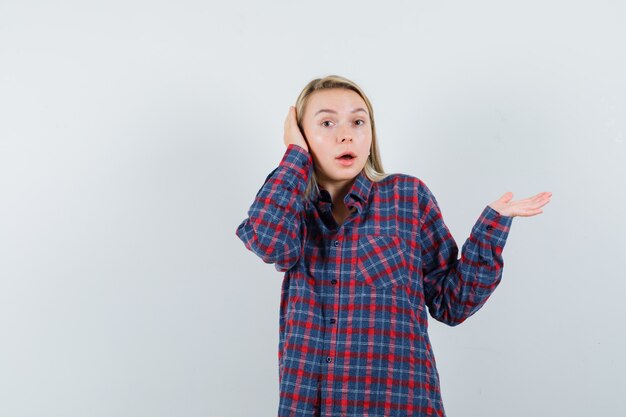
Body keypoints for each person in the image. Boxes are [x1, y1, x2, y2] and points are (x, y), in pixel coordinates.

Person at [235, 75, 552, 417]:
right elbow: (268, 243)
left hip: (398, 406)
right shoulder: (291, 205)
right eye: (327, 122)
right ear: (301, 134)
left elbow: (452, 303)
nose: (346, 134)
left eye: (358, 121)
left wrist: (491, 228)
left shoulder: (406, 197)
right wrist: (295, 155)